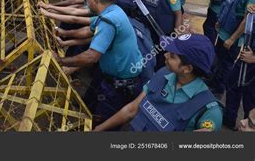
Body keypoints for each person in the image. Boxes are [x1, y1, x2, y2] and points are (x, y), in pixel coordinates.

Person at [53, 0, 143, 126]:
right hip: (114, 78)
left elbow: (91, 57)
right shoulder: (114, 11)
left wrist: (61, 61)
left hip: (119, 86)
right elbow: (87, 31)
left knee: (101, 123)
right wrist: (63, 33)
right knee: (90, 108)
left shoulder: (109, 20)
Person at [94, 34, 222, 132]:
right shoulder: (162, 74)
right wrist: (98, 130)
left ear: (187, 68)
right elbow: (132, 109)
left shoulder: (209, 111)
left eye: (172, 55)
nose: (165, 55)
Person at [211, 0, 255, 111]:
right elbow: (227, 5)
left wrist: (232, 38)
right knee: (218, 59)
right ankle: (214, 82)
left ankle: (219, 90)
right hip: (223, 31)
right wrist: (219, 21)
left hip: (232, 38)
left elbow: (245, 20)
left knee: (226, 64)